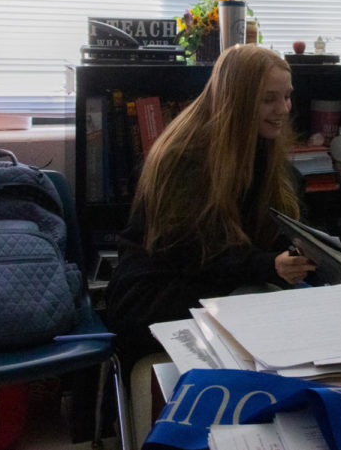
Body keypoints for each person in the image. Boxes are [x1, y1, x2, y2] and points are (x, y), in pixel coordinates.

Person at [106, 44, 315, 372]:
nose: (283, 109)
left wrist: (314, 254)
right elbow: (197, 256)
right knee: (275, 320)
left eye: (287, 96)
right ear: (239, 100)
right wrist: (268, 265)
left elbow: (281, 230)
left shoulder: (267, 154)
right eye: (269, 99)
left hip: (221, 281)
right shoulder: (182, 160)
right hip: (160, 293)